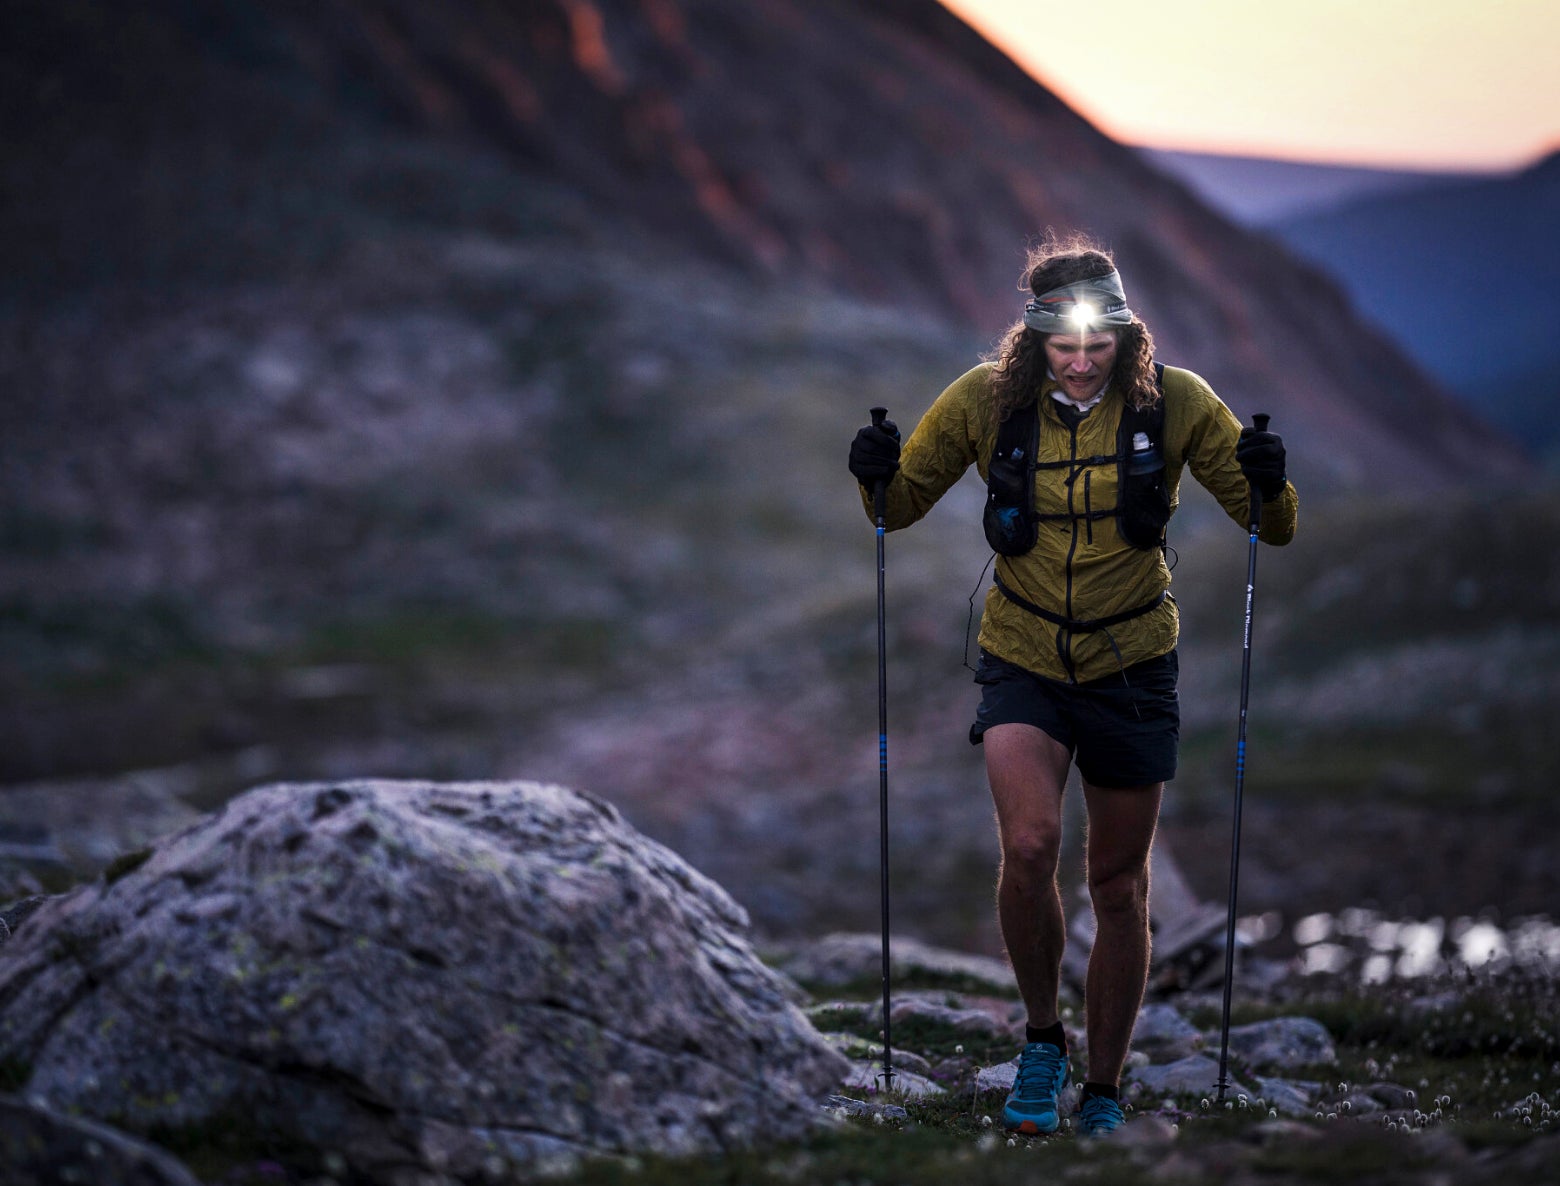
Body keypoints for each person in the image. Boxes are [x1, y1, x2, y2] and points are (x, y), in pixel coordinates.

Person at [846, 233, 1297, 1137]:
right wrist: (871, 471)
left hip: (1134, 663)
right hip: (1024, 654)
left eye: (1101, 342)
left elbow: (1268, 528)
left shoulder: (1178, 403)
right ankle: (1043, 1038)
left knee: (1121, 885)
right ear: (1034, 338)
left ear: (1126, 335)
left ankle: (1102, 1086)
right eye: (1066, 344)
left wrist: (1268, 484)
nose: (1085, 360)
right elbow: (896, 509)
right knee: (1029, 846)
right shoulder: (983, 401)